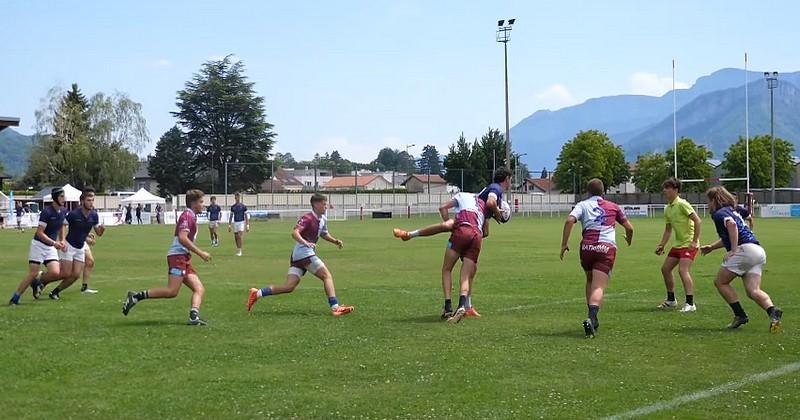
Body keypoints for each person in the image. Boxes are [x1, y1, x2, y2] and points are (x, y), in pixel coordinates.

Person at [247, 193, 354, 316]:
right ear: (315, 204)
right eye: (324, 204)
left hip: (298, 256)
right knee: (327, 276)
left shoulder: (323, 219)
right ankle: (335, 307)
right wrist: (306, 242)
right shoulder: (307, 218)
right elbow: (294, 233)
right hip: (304, 253)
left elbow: (323, 234)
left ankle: (257, 293)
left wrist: (335, 241)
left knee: (289, 287)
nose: (326, 207)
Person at [121, 189, 212, 325]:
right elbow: (182, 238)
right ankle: (135, 297)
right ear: (193, 204)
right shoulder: (187, 216)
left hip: (184, 257)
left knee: (199, 288)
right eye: (201, 202)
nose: (203, 205)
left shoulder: (191, 216)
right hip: (178, 257)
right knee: (172, 291)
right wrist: (201, 253)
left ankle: (194, 317)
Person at [700, 186, 782, 332]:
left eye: (709, 201)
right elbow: (730, 233)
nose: (708, 205)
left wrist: (733, 250)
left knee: (720, 282)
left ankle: (740, 315)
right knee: (753, 291)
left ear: (715, 200)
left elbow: (732, 226)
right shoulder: (733, 210)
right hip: (757, 251)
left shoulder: (719, 213)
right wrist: (712, 247)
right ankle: (773, 312)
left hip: (745, 250)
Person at [560, 179, 634, 338]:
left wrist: (564, 244)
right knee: (599, 286)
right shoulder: (613, 206)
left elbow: (569, 220)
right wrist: (629, 239)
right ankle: (592, 318)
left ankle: (592, 318)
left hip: (586, 248)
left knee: (589, 281)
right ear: (603, 192)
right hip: (605, 248)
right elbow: (629, 228)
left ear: (588, 192)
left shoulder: (582, 205)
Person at [392, 168, 512, 241]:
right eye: (510, 179)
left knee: (451, 227)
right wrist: (497, 213)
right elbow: (490, 203)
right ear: (507, 179)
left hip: (472, 212)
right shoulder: (496, 189)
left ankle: (409, 234)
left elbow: (442, 207)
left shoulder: (484, 193)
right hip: (472, 213)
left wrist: (449, 223)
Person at [438, 192, 494, 324]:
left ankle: (448, 307)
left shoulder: (461, 195)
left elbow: (443, 208)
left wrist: (449, 225)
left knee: (446, 269)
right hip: (476, 237)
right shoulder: (483, 205)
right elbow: (486, 232)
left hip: (461, 231)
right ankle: (462, 305)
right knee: (465, 276)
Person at [42, 188, 105, 300]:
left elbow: (99, 233)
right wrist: (62, 240)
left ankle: (55, 292)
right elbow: (63, 225)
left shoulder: (94, 215)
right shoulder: (74, 214)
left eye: (92, 200)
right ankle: (41, 280)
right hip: (69, 245)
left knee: (75, 275)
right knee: (65, 273)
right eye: (88, 200)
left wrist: (102, 229)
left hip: (80, 247)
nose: (91, 203)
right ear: (82, 201)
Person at [8, 188, 68, 305]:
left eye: (63, 196)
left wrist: (62, 240)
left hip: (50, 246)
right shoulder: (47, 212)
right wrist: (54, 243)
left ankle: (37, 283)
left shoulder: (63, 211)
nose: (63, 199)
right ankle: (15, 298)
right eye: (61, 196)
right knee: (33, 273)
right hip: (38, 245)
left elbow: (62, 226)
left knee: (56, 272)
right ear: (55, 198)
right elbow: (40, 232)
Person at [655, 178, 702, 312]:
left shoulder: (682, 204)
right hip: (678, 244)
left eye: (667, 187)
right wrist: (662, 245)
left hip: (689, 244)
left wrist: (694, 241)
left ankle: (690, 303)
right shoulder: (667, 208)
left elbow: (698, 221)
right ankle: (671, 300)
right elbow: (668, 229)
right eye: (664, 187)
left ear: (675, 190)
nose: (664, 190)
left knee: (683, 270)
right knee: (665, 269)